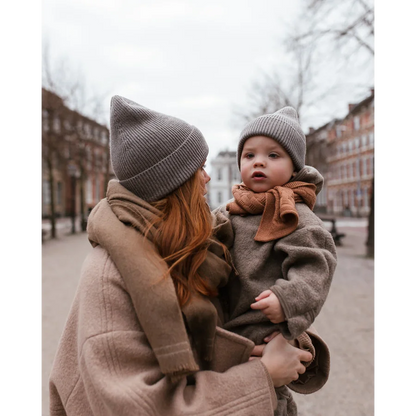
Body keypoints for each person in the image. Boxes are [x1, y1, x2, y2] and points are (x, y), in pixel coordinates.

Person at [49, 96, 320, 416]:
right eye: (199, 168)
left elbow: (233, 320)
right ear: (172, 183)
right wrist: (261, 376)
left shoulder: (194, 248)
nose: (207, 178)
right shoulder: (110, 275)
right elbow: (136, 407)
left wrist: (290, 344)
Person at [211, 107, 338, 414]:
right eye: (249, 155)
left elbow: (315, 266)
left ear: (294, 167)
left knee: (269, 399)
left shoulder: (296, 216)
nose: (258, 162)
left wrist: (286, 299)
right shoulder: (230, 211)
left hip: (263, 329)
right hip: (225, 329)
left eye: (273, 155)